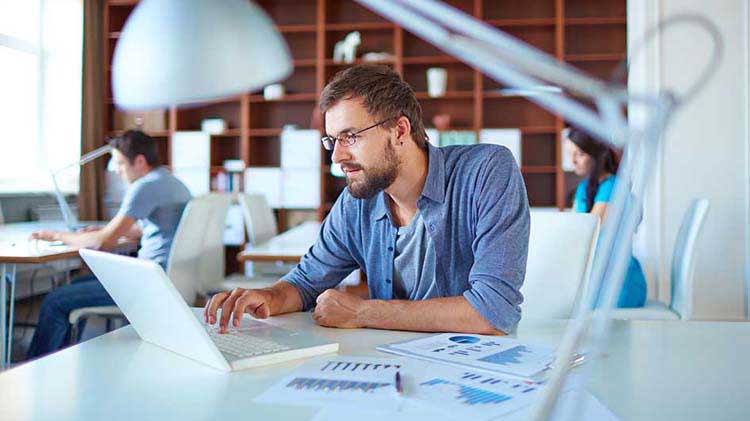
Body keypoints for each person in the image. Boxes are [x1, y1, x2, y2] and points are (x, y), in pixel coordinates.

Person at [205, 64, 530, 335]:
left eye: (350, 137)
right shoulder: (356, 202)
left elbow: (493, 311)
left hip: (473, 375)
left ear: (400, 131)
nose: (336, 156)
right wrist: (269, 297)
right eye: (332, 140)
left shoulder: (486, 171)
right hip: (390, 369)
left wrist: (363, 312)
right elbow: (306, 283)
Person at [27, 130, 192, 358]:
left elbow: (102, 243)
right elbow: (150, 228)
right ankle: (65, 355)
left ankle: (36, 366)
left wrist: (57, 235)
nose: (117, 170)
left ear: (140, 161)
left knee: (56, 300)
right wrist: (105, 231)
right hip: (168, 277)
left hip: (149, 283)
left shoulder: (145, 186)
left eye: (121, 163)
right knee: (80, 283)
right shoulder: (172, 182)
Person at [566, 127, 647, 308]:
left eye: (579, 154)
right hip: (597, 280)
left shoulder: (614, 186)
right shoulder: (584, 189)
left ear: (596, 155)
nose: (572, 161)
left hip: (617, 285)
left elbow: (588, 232)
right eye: (570, 154)